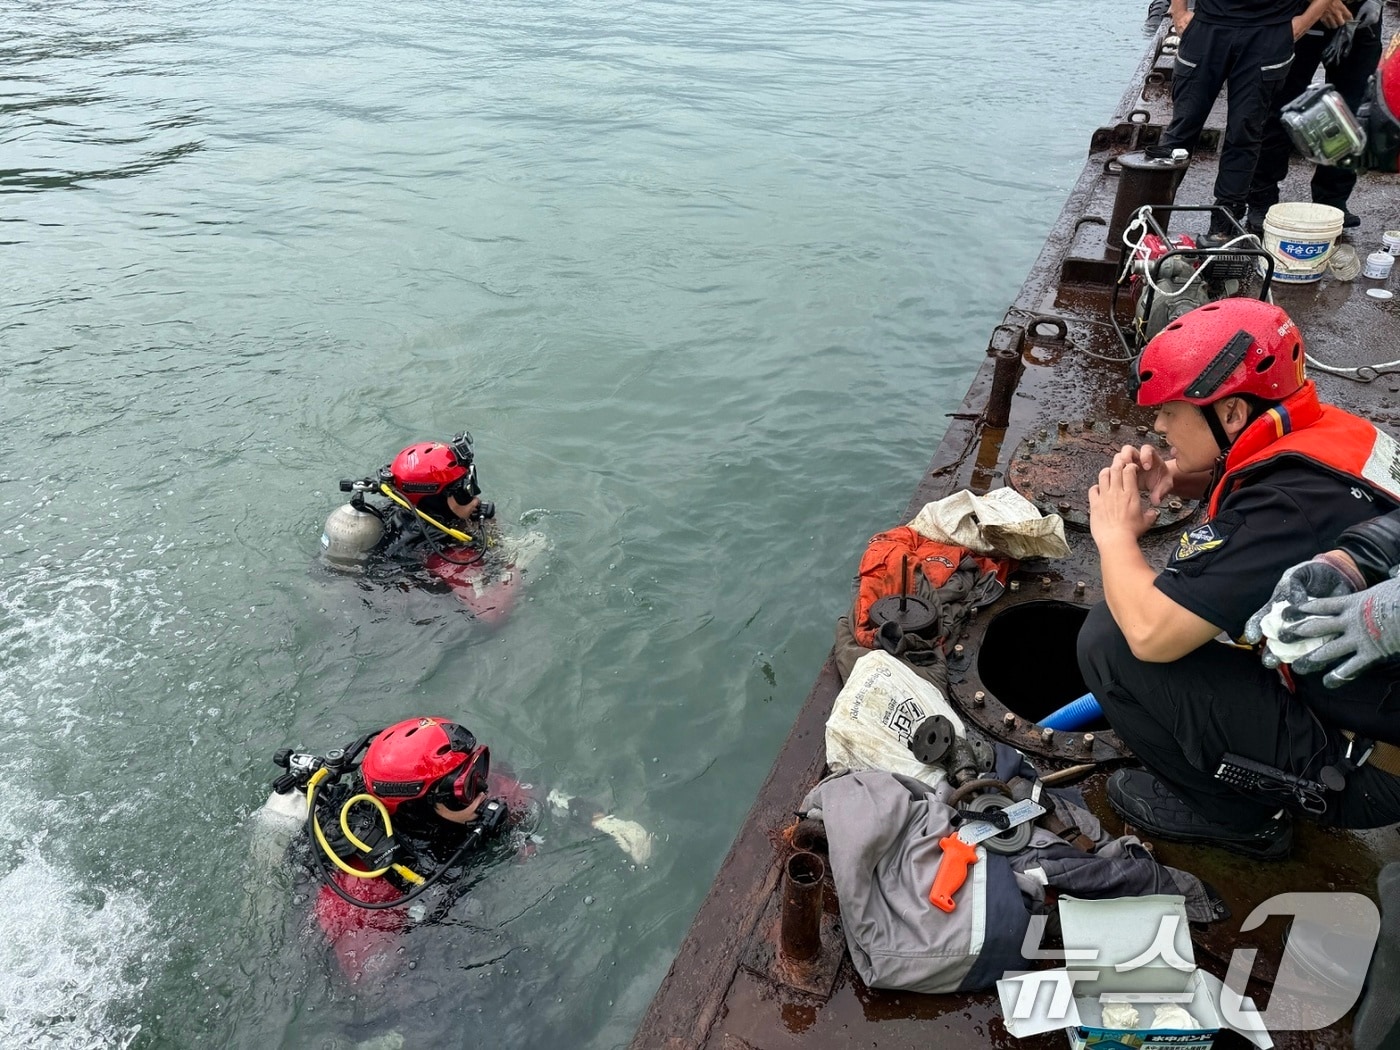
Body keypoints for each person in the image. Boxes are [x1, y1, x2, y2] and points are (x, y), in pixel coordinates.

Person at [1075, 297, 1400, 860]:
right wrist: (1184, 478)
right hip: (1380, 709)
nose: (1157, 425)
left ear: (1230, 415)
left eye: (1172, 410)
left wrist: (1114, 535)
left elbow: (1153, 633)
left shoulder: (1282, 511)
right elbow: (1289, 505)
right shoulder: (1336, 433)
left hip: (1368, 768)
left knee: (1113, 640)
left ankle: (1241, 820)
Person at [253, 716, 654, 981]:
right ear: (419, 806)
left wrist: (605, 822)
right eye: (465, 790)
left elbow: (538, 797)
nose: (484, 792)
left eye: (478, 774)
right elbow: (370, 978)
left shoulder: (464, 790)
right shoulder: (364, 887)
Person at [1146, 0, 1342, 242]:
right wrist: (1179, 11)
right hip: (1208, 26)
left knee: (1244, 132)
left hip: (1268, 32)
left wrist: (1303, 22)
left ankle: (1223, 223)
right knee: (1181, 129)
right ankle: (1148, 220)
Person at [320, 433, 524, 619]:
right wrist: (514, 565)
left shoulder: (397, 508)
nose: (476, 498)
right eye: (465, 491)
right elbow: (492, 612)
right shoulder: (446, 554)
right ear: (436, 501)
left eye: (471, 482)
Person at [1246, 0, 1384, 231]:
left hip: (1360, 14)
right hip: (1301, 10)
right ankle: (1262, 196)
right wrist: (1320, 3)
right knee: (1279, 103)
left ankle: (1332, 199)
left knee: (1353, 110)